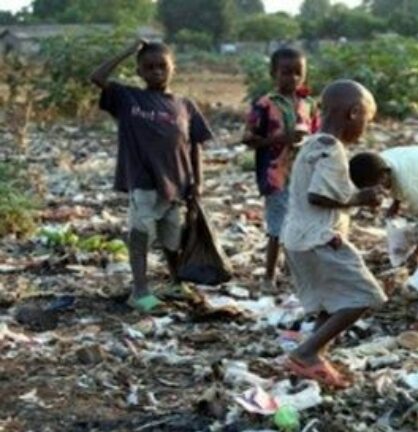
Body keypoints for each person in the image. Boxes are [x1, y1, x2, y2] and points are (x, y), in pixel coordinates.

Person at [89, 40, 213, 313]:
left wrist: (197, 184)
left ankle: (176, 281)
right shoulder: (127, 98)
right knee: (141, 234)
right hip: (143, 181)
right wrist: (128, 50)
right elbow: (97, 77)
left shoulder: (185, 105)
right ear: (139, 72)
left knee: (173, 239)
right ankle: (140, 291)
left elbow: (195, 146)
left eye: (162, 66)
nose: (156, 71)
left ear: (173, 69)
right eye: (149, 67)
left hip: (177, 184)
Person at [280, 80, 386, 388]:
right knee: (363, 296)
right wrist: (359, 198)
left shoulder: (313, 144)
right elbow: (319, 196)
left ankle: (314, 358)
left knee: (329, 304)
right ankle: (306, 352)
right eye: (367, 119)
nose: (366, 128)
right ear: (354, 113)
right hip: (319, 239)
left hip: (297, 239)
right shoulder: (332, 149)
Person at [242, 47, 320, 291]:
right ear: (273, 73)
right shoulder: (265, 104)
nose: (294, 78)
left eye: (299, 73)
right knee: (278, 228)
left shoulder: (309, 104)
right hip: (275, 175)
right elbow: (249, 139)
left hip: (303, 175)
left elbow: (317, 135)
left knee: (301, 224)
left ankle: (295, 273)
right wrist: (282, 139)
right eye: (286, 72)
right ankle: (268, 277)